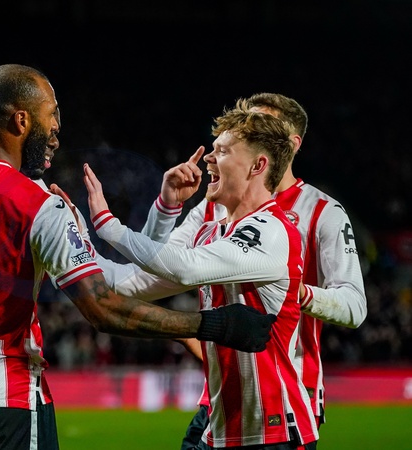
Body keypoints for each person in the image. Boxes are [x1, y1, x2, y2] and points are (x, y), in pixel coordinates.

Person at [0, 63, 276, 450]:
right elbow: (104, 308)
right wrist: (214, 325)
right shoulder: (39, 205)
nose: (57, 131)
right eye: (52, 117)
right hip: (6, 402)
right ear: (21, 120)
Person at [134, 94, 366, 449]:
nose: (248, 130)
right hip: (221, 394)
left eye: (261, 124)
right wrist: (164, 208)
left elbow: (354, 306)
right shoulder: (213, 206)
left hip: (288, 395)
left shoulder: (323, 211)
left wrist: (298, 292)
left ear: (291, 143)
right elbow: (154, 265)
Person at [82, 106, 319, 449]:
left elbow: (185, 267)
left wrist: (107, 225)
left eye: (223, 151)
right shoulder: (210, 230)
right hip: (220, 429)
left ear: (257, 166)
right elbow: (134, 281)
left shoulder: (271, 230)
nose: (208, 157)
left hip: (272, 431)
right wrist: (75, 244)